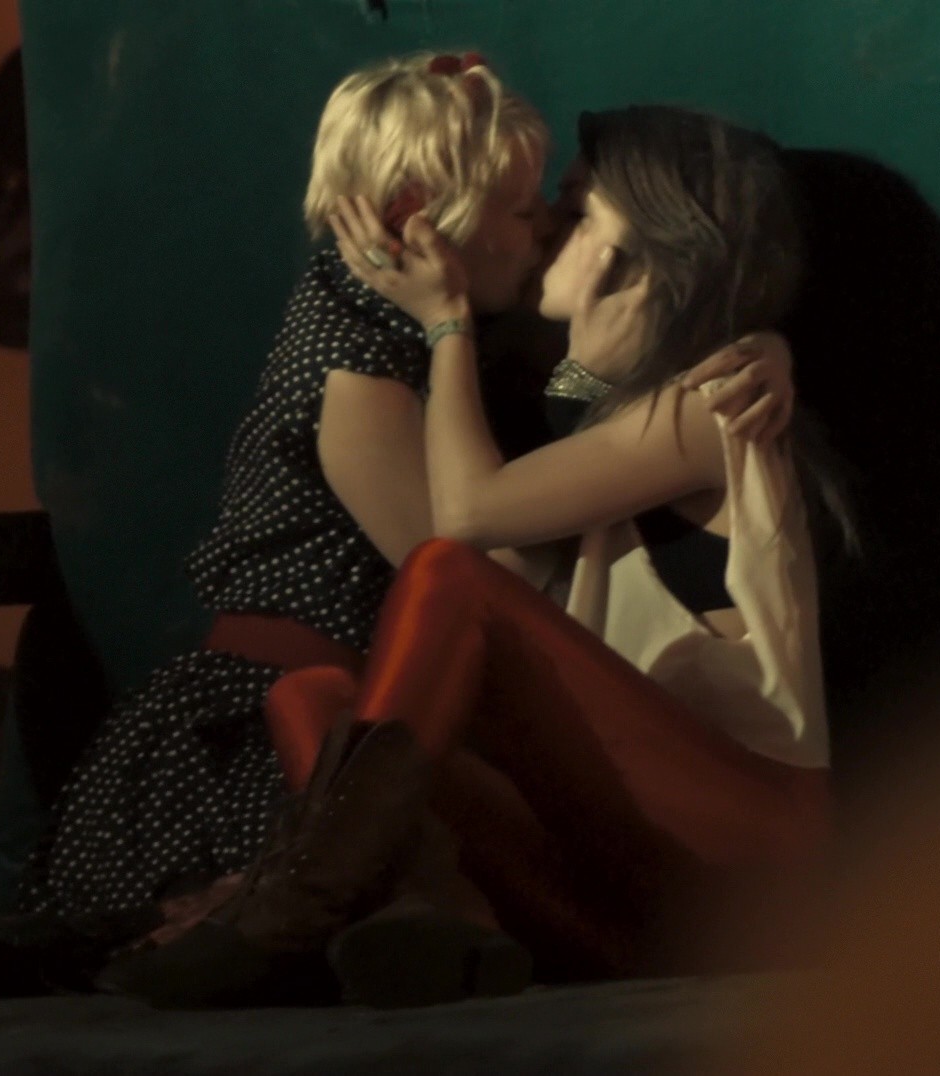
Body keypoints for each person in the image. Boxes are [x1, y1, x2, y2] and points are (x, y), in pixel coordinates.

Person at [0, 53, 790, 1001]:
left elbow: (564, 460)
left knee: (289, 888)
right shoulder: (360, 352)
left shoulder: (442, 342)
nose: (545, 232)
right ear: (420, 222)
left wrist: (757, 344)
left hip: (380, 715)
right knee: (265, 871)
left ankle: (7, 949)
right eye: (525, 212)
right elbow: (462, 557)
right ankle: (3, 950)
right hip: (281, 710)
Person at [101, 105, 844, 1009]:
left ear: (633, 253)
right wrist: (590, 345)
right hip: (628, 892)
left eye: (575, 211)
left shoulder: (711, 404)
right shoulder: (614, 415)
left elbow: (464, 520)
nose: (548, 229)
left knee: (447, 576)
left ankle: (286, 914)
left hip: (747, 866)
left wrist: (447, 324)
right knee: (310, 699)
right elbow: (548, 484)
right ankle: (445, 929)